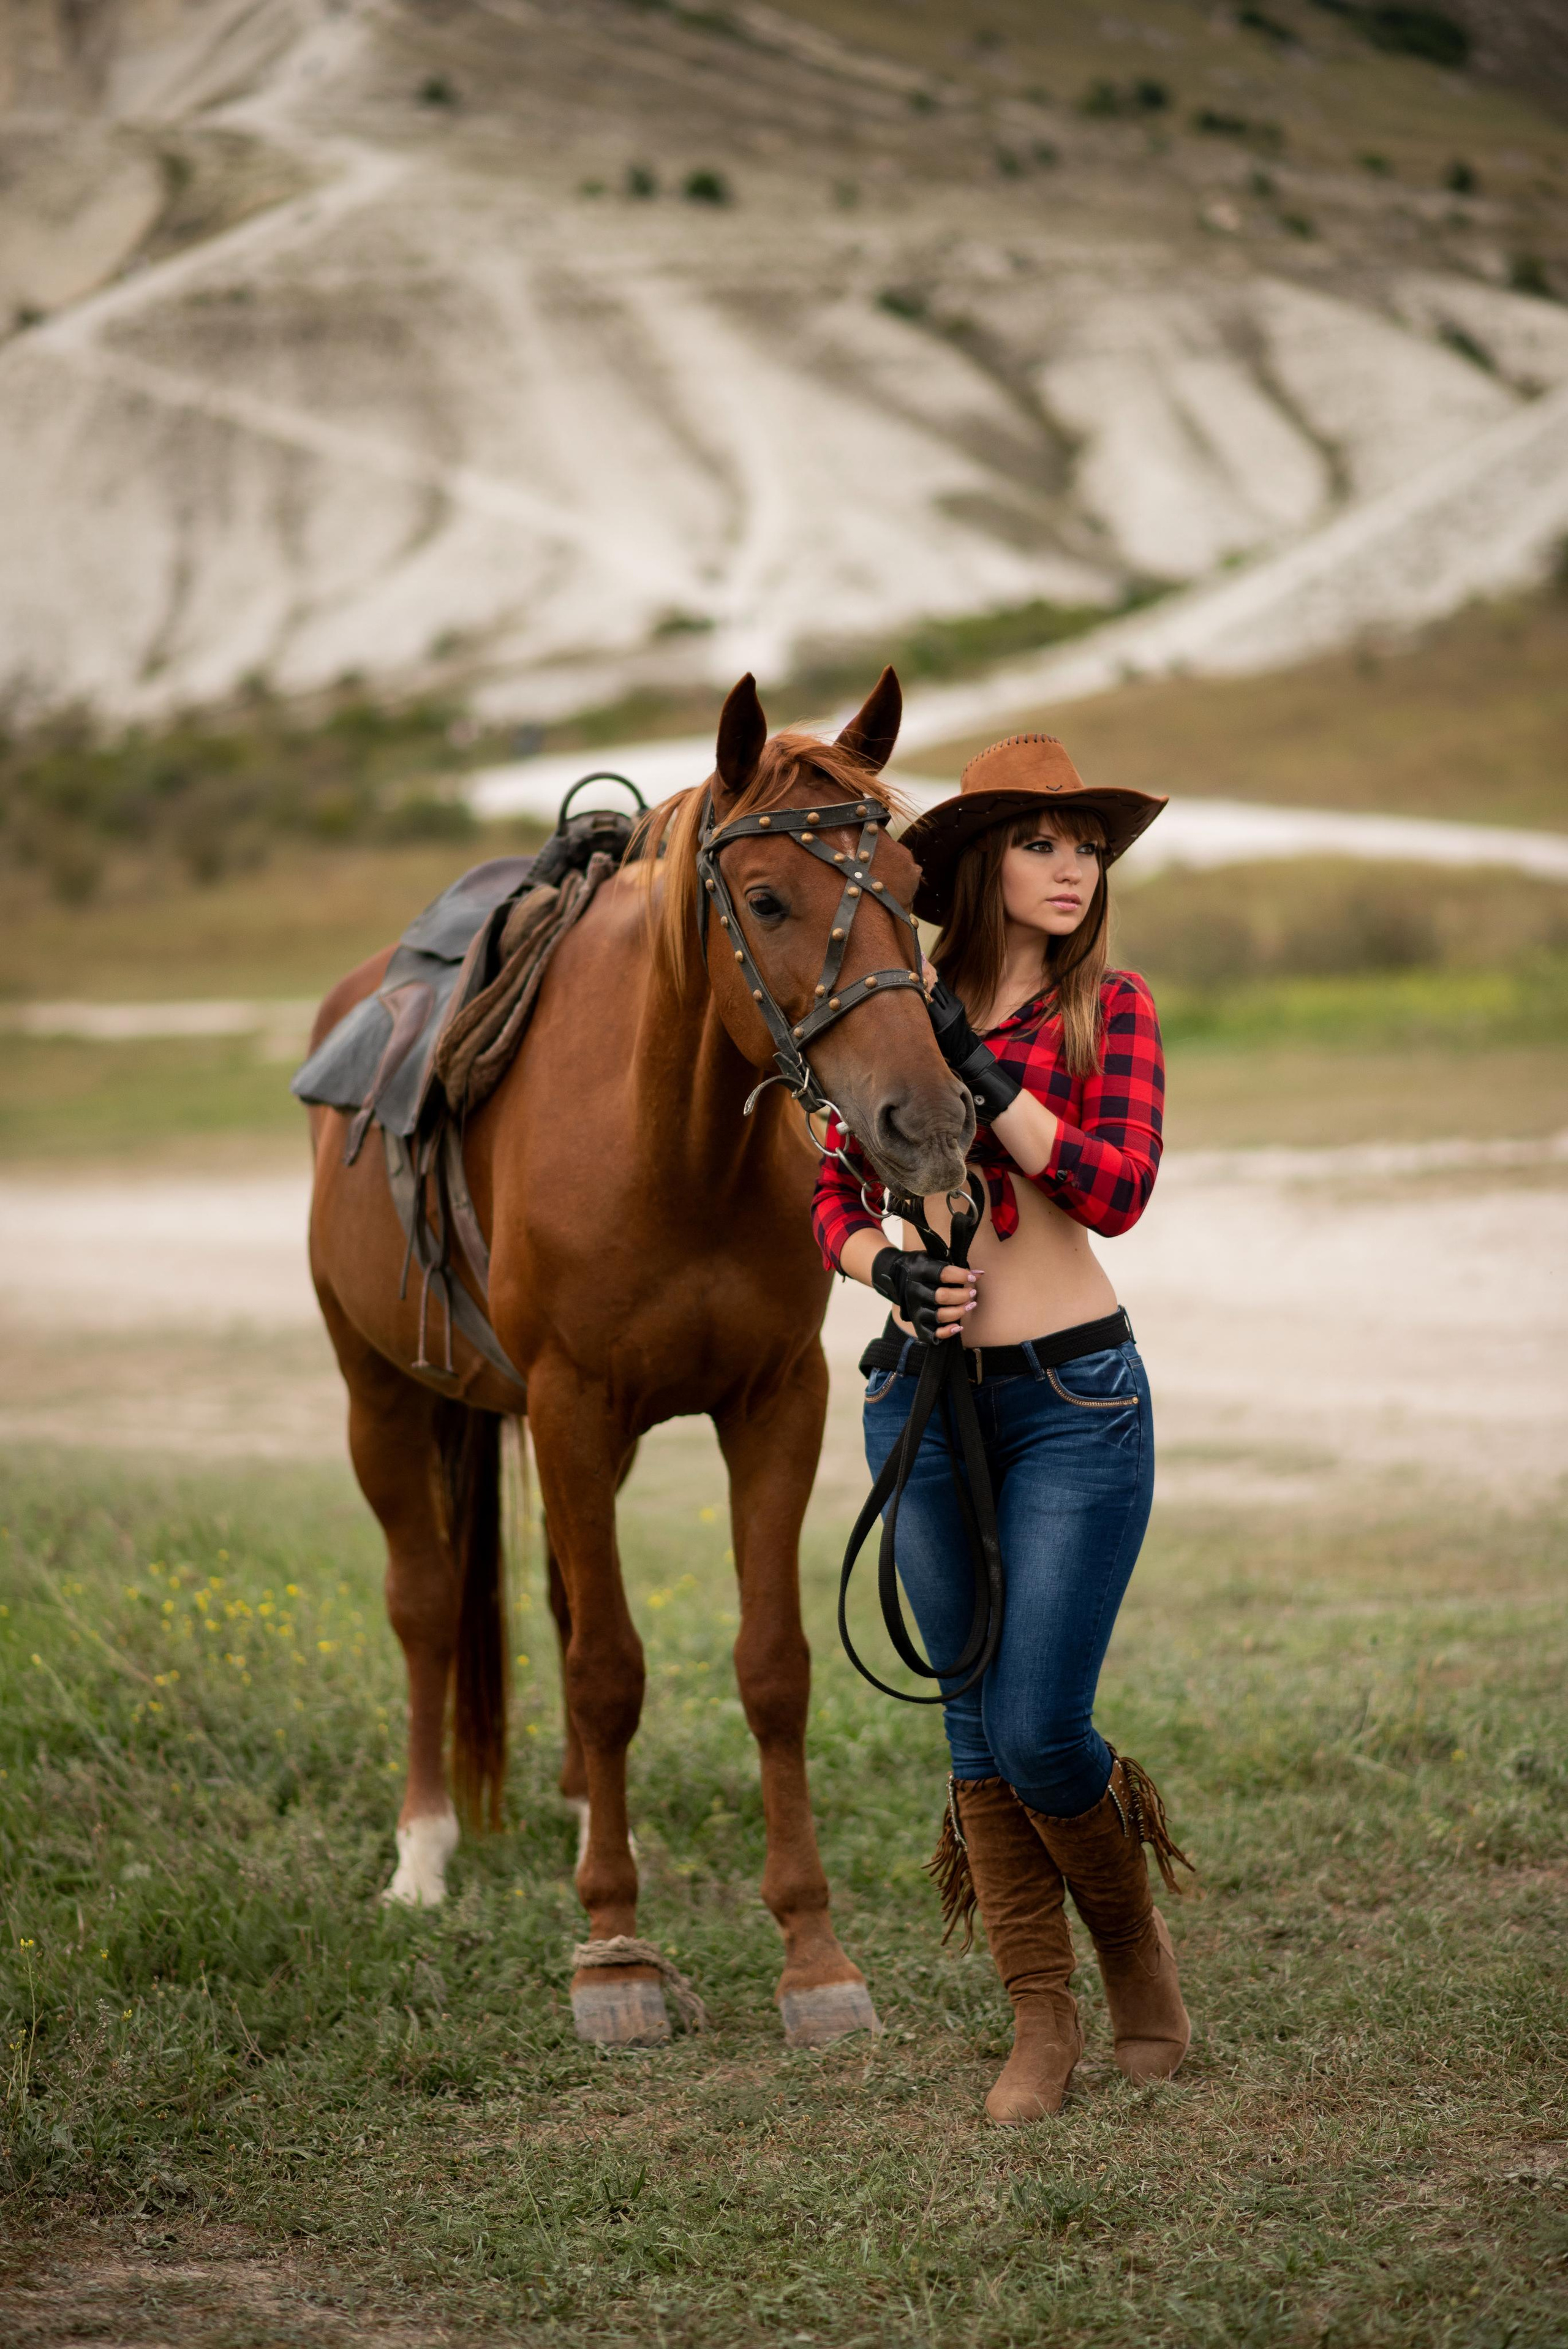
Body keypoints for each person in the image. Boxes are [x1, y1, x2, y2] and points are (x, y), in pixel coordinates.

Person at [811, 732, 1193, 2127]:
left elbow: (1114, 1186)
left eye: (1086, 845)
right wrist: (882, 1268)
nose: (1073, 868)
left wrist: (984, 1073)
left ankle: (1133, 1950)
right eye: (1041, 842)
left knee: (1039, 1727)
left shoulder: (1115, 1012)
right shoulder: (887, 1010)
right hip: (917, 1403)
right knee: (970, 1737)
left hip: (1074, 1401)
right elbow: (826, 1197)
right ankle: (1039, 2024)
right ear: (974, 865)